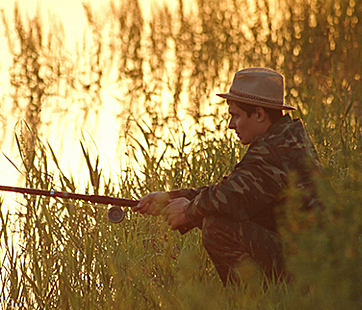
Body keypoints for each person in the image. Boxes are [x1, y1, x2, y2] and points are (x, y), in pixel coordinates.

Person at [133, 67, 323, 286]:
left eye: (236, 116)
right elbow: (233, 189)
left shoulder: (273, 151)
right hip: (311, 255)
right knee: (217, 212)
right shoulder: (284, 136)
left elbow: (228, 198)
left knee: (216, 226)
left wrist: (187, 211)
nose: (231, 124)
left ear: (260, 115)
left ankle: (248, 305)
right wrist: (169, 198)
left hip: (309, 266)